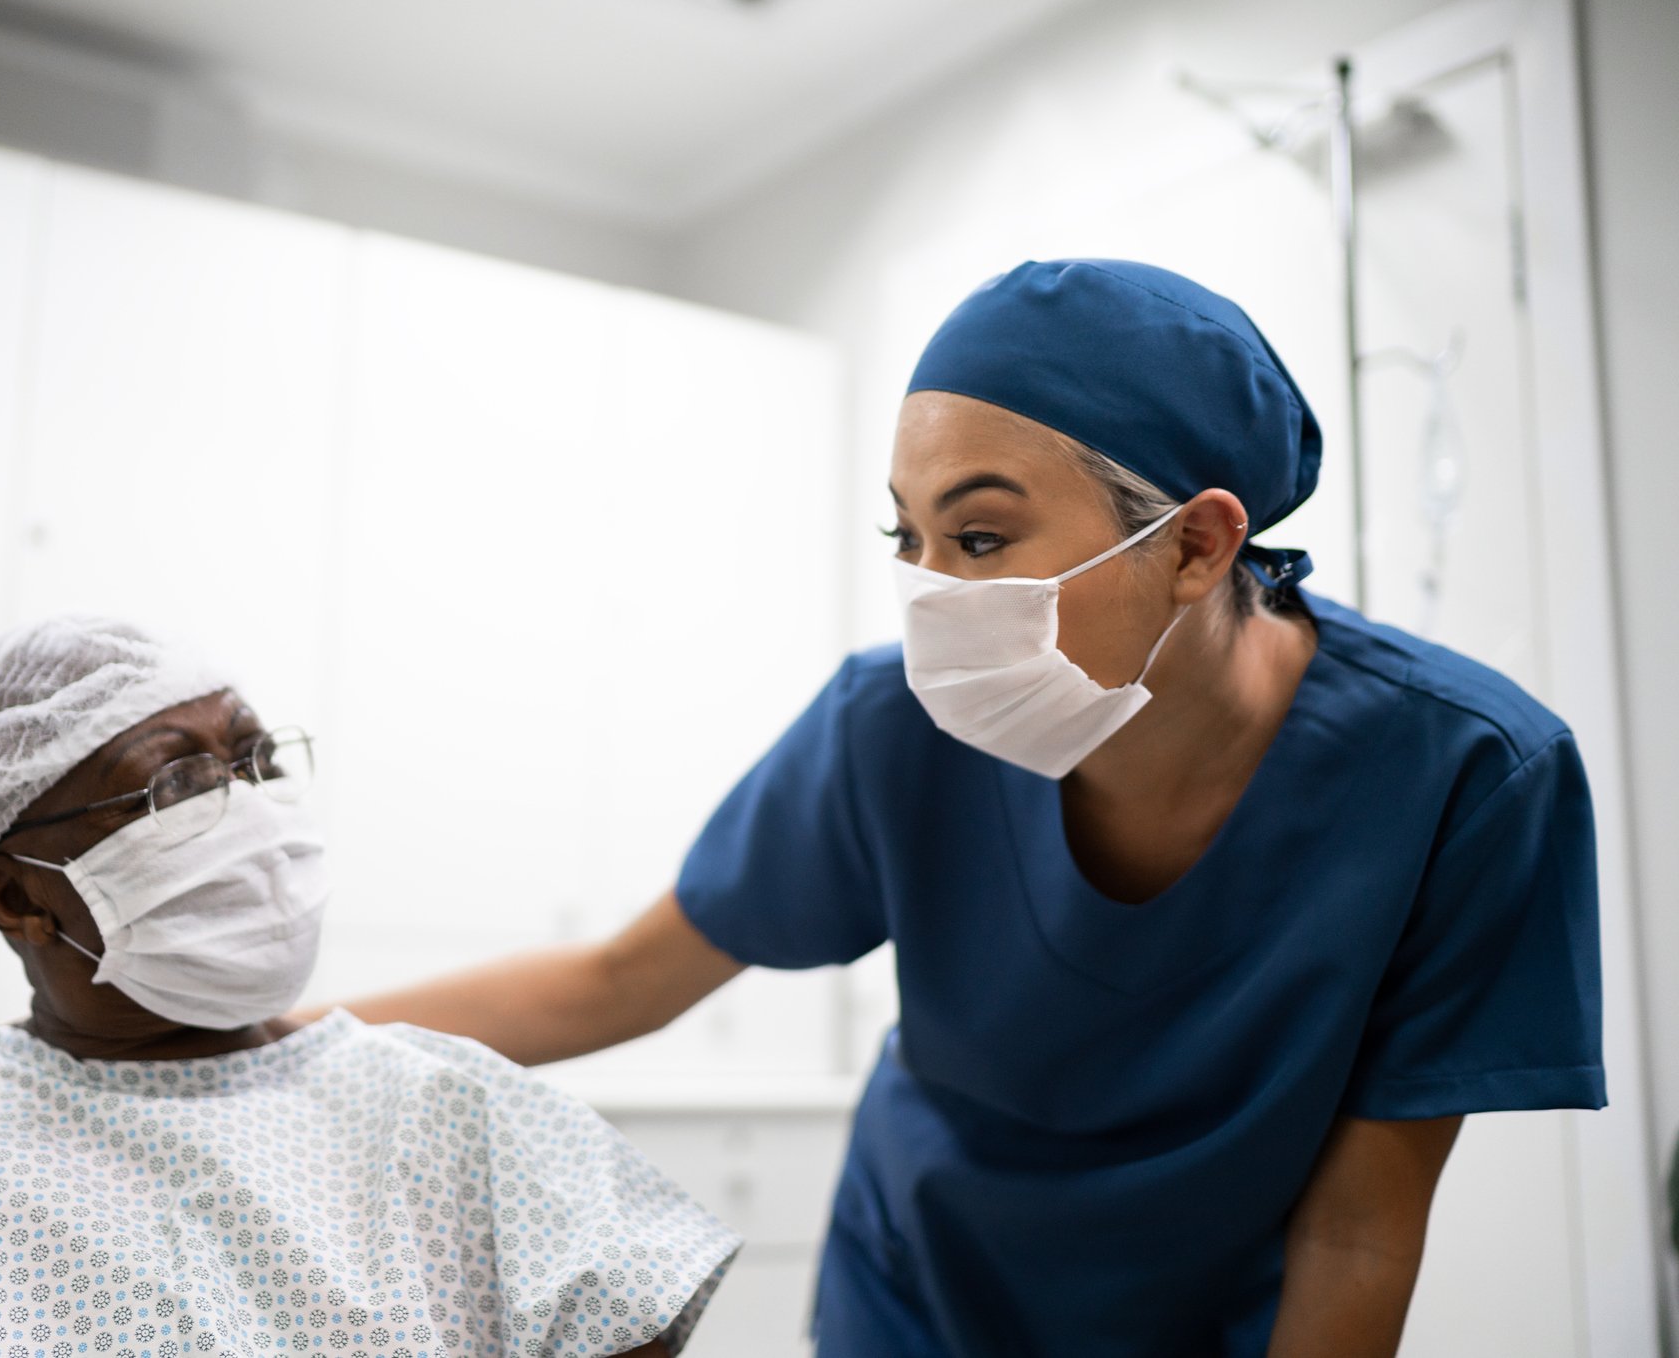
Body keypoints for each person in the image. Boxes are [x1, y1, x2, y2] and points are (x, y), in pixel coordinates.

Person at [314, 259, 1606, 1357]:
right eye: (908, 540)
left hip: (1208, 1317)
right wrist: (274, 1045)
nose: (932, 594)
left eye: (980, 540)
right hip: (914, 1292)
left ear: (1200, 545)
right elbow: (621, 979)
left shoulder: (1470, 775)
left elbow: (1361, 1221)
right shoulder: (892, 726)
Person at [0, 616, 738, 1358]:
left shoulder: (458, 1114)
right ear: (16, 897)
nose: (252, 813)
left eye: (256, 759)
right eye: (175, 787)